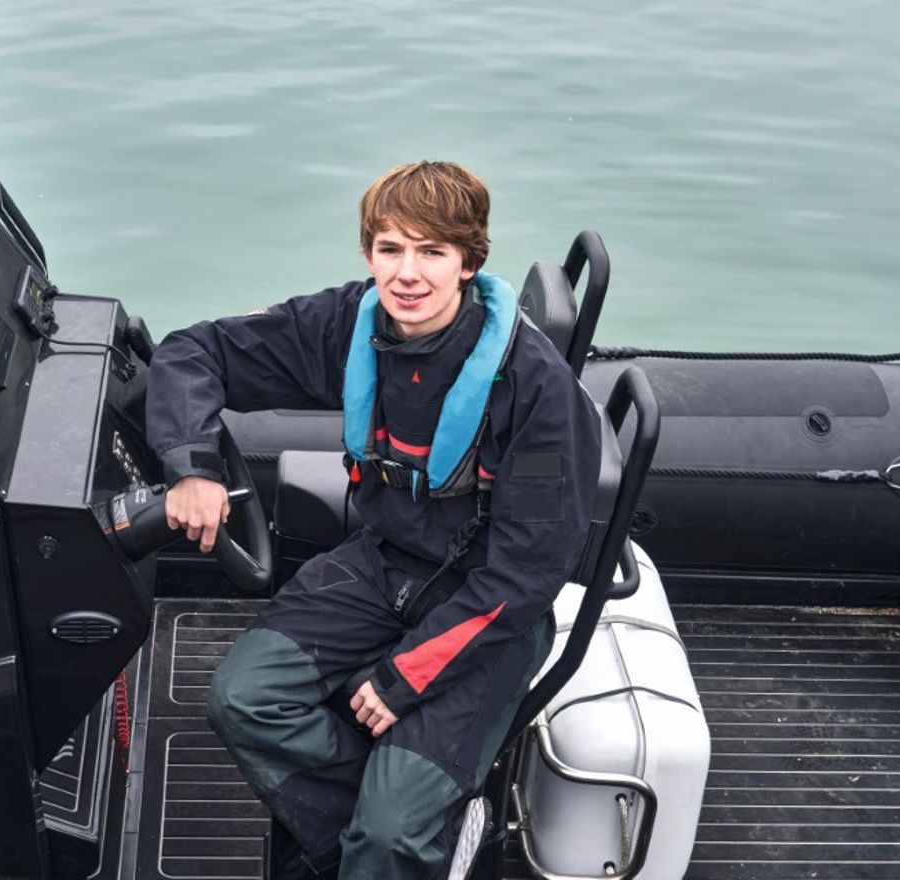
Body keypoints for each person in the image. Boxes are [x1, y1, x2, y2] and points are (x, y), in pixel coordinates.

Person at [146, 161, 601, 880]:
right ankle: (399, 842)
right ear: (369, 253)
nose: (407, 274)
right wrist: (193, 465)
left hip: (487, 609)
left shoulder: (539, 391)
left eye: (432, 252)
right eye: (391, 249)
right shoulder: (346, 325)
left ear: (468, 262)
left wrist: (400, 680)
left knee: (390, 833)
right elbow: (193, 351)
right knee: (244, 700)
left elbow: (526, 578)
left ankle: (395, 840)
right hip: (381, 563)